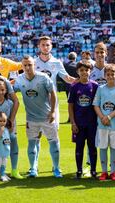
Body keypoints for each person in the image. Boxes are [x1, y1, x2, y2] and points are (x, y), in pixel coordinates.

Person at [14, 55, 62, 178]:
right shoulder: (19, 79)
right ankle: (33, 168)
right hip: (31, 119)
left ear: (34, 65)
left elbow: (53, 93)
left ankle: (56, 168)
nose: (27, 67)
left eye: (30, 64)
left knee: (53, 142)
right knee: (32, 143)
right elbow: (10, 90)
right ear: (22, 66)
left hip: (47, 117)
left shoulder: (43, 78)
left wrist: (52, 112)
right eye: (25, 65)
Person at [34, 36, 75, 172]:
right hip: (37, 103)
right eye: (43, 45)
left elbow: (67, 78)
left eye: (48, 45)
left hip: (52, 103)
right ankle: (34, 166)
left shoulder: (57, 62)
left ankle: (55, 166)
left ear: (51, 46)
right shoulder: (33, 63)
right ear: (39, 46)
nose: (46, 47)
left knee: (54, 134)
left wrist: (83, 80)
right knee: (36, 136)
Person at [93, 64, 115, 181]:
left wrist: (109, 117)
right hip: (102, 124)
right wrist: (102, 117)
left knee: (114, 148)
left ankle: (113, 172)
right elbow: (96, 105)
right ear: (105, 76)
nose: (111, 76)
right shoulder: (101, 89)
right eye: (108, 74)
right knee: (102, 147)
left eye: (113, 74)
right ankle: (104, 171)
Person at [68, 61, 98, 179]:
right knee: (79, 147)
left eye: (86, 70)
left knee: (92, 147)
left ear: (90, 71)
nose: (84, 72)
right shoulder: (74, 86)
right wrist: (73, 122)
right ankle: (79, 171)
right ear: (77, 72)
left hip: (92, 123)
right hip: (79, 123)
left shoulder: (95, 86)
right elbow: (70, 105)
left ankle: (94, 170)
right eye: (81, 70)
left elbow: (97, 104)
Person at [0, 78, 23, 179]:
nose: (0, 92)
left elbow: (12, 116)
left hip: (9, 129)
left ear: (6, 90)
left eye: (2, 90)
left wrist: (10, 126)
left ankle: (14, 170)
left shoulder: (10, 103)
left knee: (11, 147)